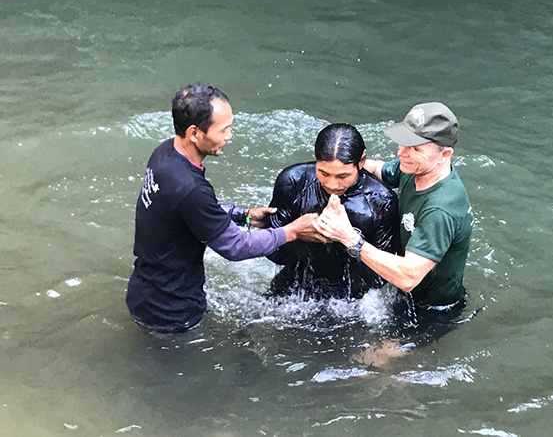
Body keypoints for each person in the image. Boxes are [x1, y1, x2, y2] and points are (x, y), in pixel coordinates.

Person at [126, 84, 317, 333]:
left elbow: (191, 211)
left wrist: (244, 215)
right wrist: (292, 231)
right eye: (223, 129)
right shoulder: (189, 188)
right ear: (194, 133)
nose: (229, 136)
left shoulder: (165, 153)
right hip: (171, 312)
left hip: (147, 290)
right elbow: (235, 246)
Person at [314, 103, 473, 357]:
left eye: (414, 148)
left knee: (366, 365)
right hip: (402, 297)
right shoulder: (414, 168)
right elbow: (378, 169)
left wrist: (348, 237)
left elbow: (408, 278)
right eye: (402, 142)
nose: (401, 152)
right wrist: (338, 171)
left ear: (444, 155)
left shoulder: (440, 209)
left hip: (431, 311)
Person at [265, 123, 398, 300]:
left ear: (362, 162)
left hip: (352, 298)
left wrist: (347, 239)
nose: (332, 185)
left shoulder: (380, 200)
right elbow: (272, 252)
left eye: (343, 176)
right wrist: (301, 235)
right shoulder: (294, 181)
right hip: (295, 282)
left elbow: (380, 278)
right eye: (323, 173)